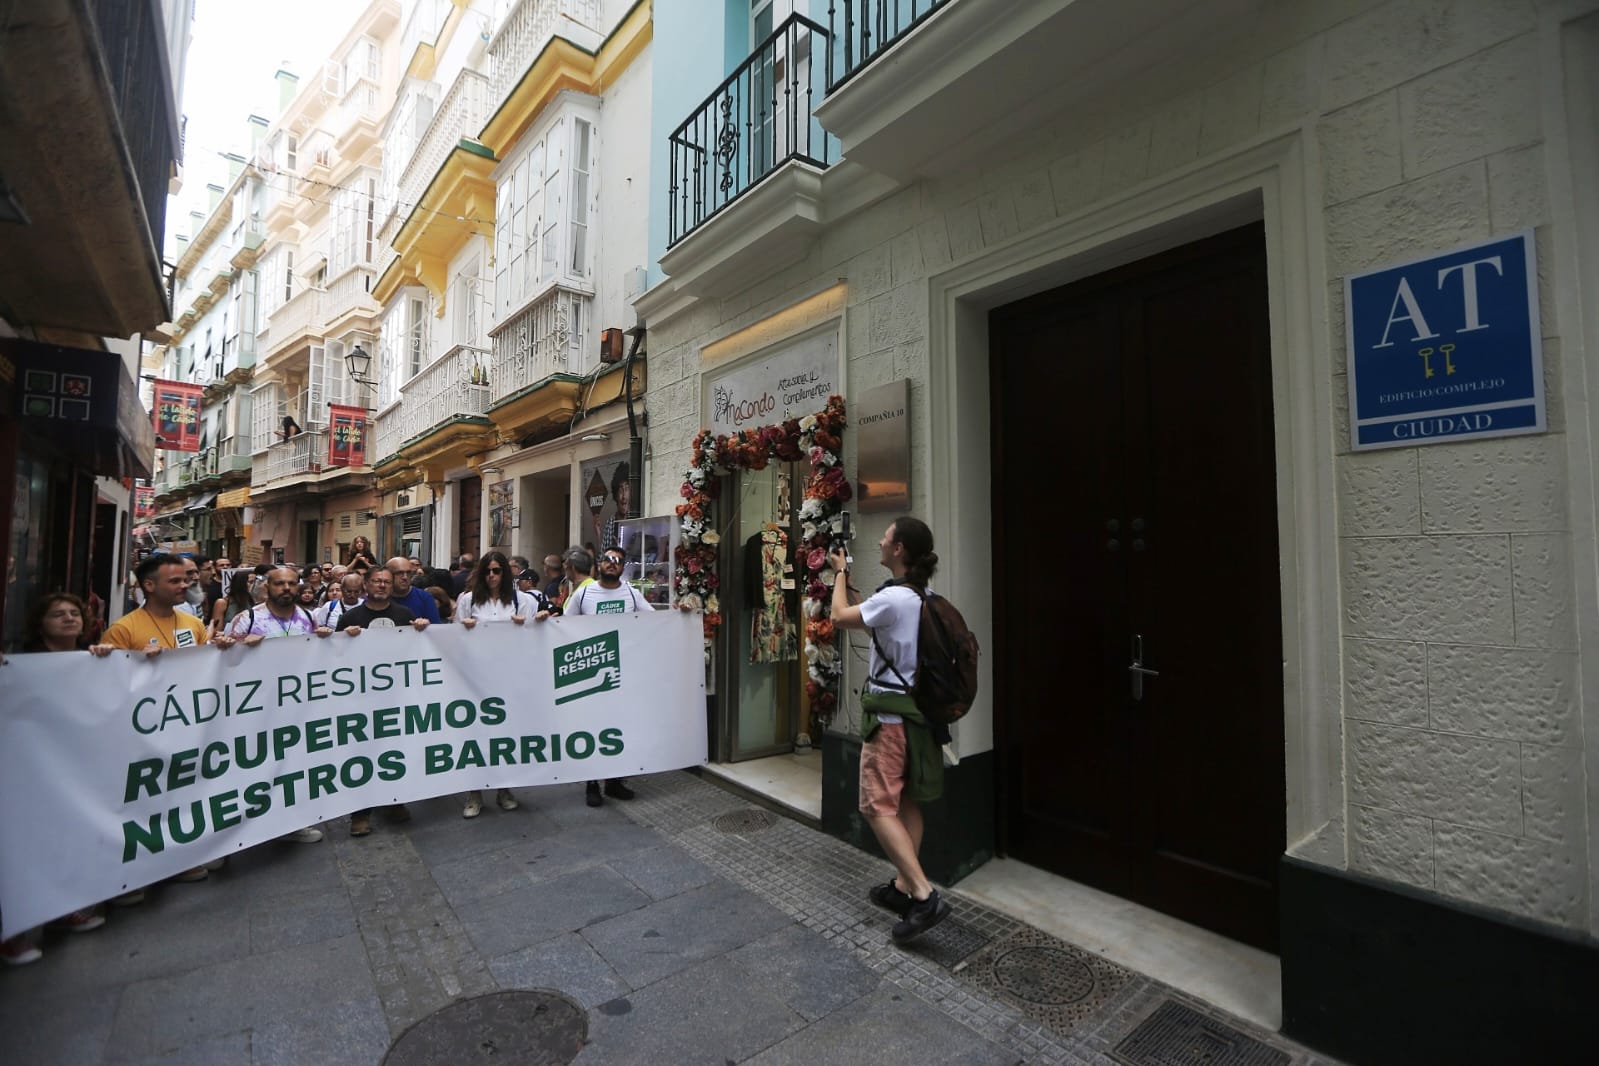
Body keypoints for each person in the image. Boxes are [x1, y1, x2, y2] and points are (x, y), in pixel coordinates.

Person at [827, 517, 951, 942]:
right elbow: (869, 620)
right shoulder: (922, 597)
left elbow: (840, 617)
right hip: (918, 718)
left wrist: (840, 572)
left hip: (890, 723)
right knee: (908, 804)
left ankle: (923, 893)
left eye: (886, 537)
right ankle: (902, 887)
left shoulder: (895, 599)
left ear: (899, 550)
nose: (879, 540)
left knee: (876, 806)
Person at [91, 555, 235, 885]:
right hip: (147, 733)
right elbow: (107, 683)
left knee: (192, 790)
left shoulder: (193, 625)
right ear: (149, 586)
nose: (184, 585)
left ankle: (194, 849)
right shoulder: (124, 629)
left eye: (186, 579)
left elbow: (209, 665)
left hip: (193, 725)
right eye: (175, 581)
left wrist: (225, 649)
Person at [2, 594, 111, 964]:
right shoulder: (20, 665)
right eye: (57, 615)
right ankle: (11, 932)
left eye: (74, 614)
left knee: (63, 837)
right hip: (29, 770)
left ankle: (62, 909)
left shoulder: (92, 659)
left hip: (75, 767)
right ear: (40, 623)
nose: (68, 619)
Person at [225, 567, 328, 845]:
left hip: (297, 708)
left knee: (293, 766)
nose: (286, 588)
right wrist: (239, 645)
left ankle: (291, 822)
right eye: (279, 583)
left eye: (291, 584)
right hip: (257, 709)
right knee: (256, 768)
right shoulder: (247, 619)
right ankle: (245, 827)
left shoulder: (308, 618)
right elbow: (220, 658)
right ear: (266, 587)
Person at [333, 566, 425, 837]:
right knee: (362, 754)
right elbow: (334, 656)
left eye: (387, 581)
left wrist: (421, 629)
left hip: (395, 697)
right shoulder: (351, 617)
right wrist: (342, 638)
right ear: (366, 585)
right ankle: (360, 814)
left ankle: (394, 801)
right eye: (376, 581)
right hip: (360, 700)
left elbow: (417, 651)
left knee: (394, 752)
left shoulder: (404, 615)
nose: (382, 586)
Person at [551, 546, 644, 807]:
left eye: (618, 561)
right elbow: (565, 627)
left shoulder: (631, 593)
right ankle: (592, 784)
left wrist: (681, 614)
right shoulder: (584, 593)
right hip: (591, 671)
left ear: (623, 567)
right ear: (599, 565)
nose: (612, 564)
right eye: (608, 559)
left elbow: (654, 620)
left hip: (620, 673)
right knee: (593, 728)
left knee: (617, 728)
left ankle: (614, 782)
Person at [454, 551, 530, 818]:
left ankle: (504, 788)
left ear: (505, 574)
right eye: (487, 571)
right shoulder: (468, 600)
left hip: (508, 677)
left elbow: (535, 635)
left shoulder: (521, 600)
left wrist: (529, 623)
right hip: (477, 677)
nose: (492, 576)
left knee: (506, 736)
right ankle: (474, 793)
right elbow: (455, 637)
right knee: (476, 735)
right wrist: (464, 627)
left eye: (497, 571)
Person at [386, 556, 441, 624]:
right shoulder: (380, 597)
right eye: (399, 573)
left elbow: (435, 628)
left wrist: (425, 625)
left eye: (408, 573)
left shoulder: (424, 597)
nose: (405, 577)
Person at [211, 571, 255, 636]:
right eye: (251, 582)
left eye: (256, 582)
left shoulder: (254, 601)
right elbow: (216, 632)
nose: (254, 585)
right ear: (241, 584)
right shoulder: (222, 603)